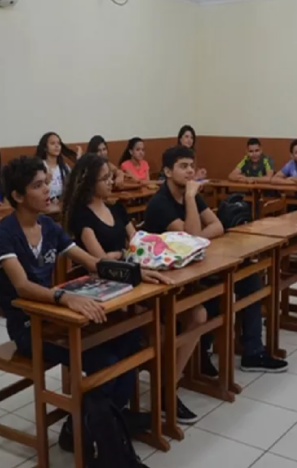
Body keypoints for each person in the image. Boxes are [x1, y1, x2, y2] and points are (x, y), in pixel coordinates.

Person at [0, 155, 149, 450]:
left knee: (129, 339)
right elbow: (23, 287)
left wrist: (139, 272)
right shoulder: (3, 235)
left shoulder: (49, 227)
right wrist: (64, 296)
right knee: (106, 361)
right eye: (38, 185)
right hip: (28, 326)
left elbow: (91, 261)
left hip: (53, 317)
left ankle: (100, 421)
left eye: (47, 182)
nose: (47, 190)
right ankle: (82, 429)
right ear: (17, 196)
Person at [64, 153, 203, 425]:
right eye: (104, 178)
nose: (111, 182)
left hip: (137, 280)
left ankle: (167, 389)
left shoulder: (116, 208)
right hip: (113, 292)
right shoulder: (82, 217)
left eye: (110, 176)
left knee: (197, 314)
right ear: (90, 183)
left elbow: (140, 242)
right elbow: (100, 262)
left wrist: (125, 254)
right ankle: (160, 392)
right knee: (161, 331)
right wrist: (123, 254)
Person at [145, 147, 287, 381]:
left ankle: (252, 352)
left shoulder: (191, 194)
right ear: (168, 172)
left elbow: (218, 226)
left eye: (192, 165)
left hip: (193, 269)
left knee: (250, 280)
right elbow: (191, 240)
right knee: (213, 295)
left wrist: (198, 230)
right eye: (183, 166)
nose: (190, 171)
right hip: (168, 281)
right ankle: (198, 355)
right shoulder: (161, 203)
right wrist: (191, 200)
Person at [35, 132, 78, 205]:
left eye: (59, 143)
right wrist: (45, 182)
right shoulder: (39, 166)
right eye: (52, 143)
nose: (57, 146)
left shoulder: (65, 167)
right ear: (45, 147)